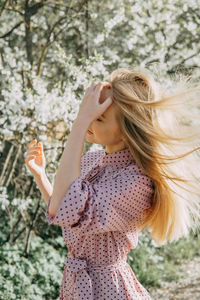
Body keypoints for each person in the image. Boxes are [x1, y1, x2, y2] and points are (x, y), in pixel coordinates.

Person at [25, 66, 200, 299]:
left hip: (108, 288)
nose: (88, 121)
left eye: (97, 118)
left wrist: (79, 123)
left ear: (127, 131)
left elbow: (71, 207)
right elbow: (65, 210)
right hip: (76, 285)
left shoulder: (137, 182)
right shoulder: (93, 160)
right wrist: (41, 176)